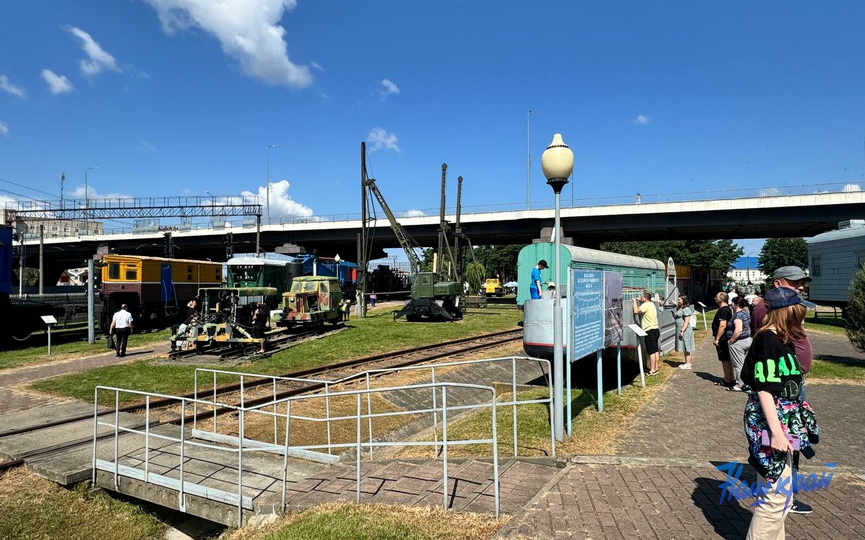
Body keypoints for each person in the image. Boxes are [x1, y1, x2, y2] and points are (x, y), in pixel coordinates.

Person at [740, 287, 819, 538]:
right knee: (775, 497)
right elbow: (764, 389)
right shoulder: (768, 339)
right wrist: (776, 432)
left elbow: (787, 384)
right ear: (789, 312)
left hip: (783, 420)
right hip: (770, 422)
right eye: (799, 311)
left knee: (781, 494)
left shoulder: (782, 339)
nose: (803, 316)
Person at [750, 265, 814, 515]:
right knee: (782, 440)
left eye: (802, 282)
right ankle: (782, 490)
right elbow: (765, 374)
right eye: (795, 282)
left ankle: (785, 488)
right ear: (778, 283)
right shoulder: (767, 312)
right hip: (779, 393)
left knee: (794, 438)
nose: (800, 286)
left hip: (789, 387)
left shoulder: (784, 307)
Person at [727, 297, 753, 392]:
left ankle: (740, 384)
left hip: (739, 342)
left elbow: (738, 330)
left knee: (738, 364)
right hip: (747, 340)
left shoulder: (738, 316)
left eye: (732, 303)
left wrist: (731, 341)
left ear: (736, 304)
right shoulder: (745, 313)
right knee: (745, 362)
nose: (731, 305)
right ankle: (747, 381)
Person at [633, 292, 660, 375]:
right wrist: (640, 301)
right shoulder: (651, 304)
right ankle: (656, 368)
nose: (640, 298)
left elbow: (636, 311)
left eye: (641, 297)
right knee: (655, 350)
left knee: (651, 352)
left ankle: (652, 370)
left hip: (649, 330)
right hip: (656, 329)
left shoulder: (645, 305)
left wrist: (634, 301)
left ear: (644, 298)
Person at [712, 291, 735, 387]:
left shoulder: (723, 310)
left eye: (717, 296)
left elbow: (722, 325)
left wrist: (717, 338)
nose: (715, 298)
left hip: (723, 338)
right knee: (727, 359)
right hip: (725, 337)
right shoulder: (726, 309)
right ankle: (730, 377)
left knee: (724, 359)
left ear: (721, 299)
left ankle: (727, 379)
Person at [673, 295, 695, 369]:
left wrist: (682, 330)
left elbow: (686, 321)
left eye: (679, 300)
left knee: (687, 346)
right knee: (683, 346)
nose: (678, 301)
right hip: (679, 329)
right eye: (678, 300)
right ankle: (686, 362)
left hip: (685, 330)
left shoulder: (686, 309)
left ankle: (688, 363)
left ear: (683, 300)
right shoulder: (679, 308)